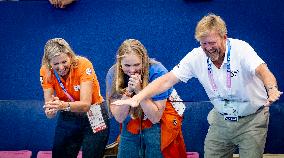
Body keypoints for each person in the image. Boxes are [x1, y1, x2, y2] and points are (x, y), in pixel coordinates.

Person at [112, 14, 283, 158]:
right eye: (203, 43)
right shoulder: (196, 56)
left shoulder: (241, 49)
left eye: (212, 42)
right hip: (221, 118)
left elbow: (262, 70)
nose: (208, 48)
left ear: (224, 37)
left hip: (251, 119)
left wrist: (272, 88)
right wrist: (138, 98)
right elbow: (167, 80)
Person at [106, 39, 187, 158]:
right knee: (127, 151)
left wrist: (139, 91)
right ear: (120, 63)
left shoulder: (158, 71)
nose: (132, 70)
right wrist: (128, 91)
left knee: (156, 149)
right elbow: (119, 117)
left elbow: (155, 117)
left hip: (159, 115)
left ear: (144, 61)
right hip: (133, 116)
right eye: (127, 65)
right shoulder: (113, 74)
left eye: (137, 65)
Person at [40, 38, 109, 158]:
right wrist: (51, 110)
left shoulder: (83, 64)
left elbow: (86, 105)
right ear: (48, 62)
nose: (61, 67)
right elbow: (49, 113)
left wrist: (61, 105)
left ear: (70, 56)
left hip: (94, 112)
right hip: (68, 114)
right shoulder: (45, 72)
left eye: (64, 62)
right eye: (56, 64)